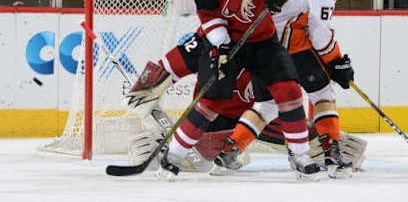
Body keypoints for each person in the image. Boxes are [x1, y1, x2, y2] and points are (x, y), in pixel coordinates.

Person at [129, 0, 320, 181]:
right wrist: (222, 49)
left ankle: (300, 157)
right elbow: (209, 16)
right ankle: (171, 156)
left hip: (263, 41)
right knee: (211, 101)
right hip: (225, 43)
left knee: (288, 89)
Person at [210, 0, 355, 179]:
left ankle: (229, 153)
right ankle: (333, 156)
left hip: (260, 49)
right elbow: (320, 37)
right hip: (292, 52)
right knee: (322, 93)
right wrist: (337, 61)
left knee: (265, 104)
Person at [124, 29, 367, 175]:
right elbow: (167, 66)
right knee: (209, 152)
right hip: (218, 118)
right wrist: (145, 88)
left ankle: (320, 148)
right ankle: (161, 147)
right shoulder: (209, 36)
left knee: (311, 142)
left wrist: (333, 63)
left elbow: (306, 59)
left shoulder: (274, 33)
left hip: (262, 115)